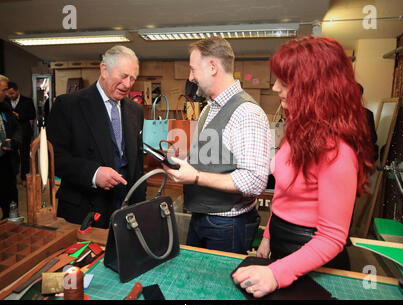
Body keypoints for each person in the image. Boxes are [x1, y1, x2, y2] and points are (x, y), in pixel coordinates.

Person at [232, 37, 375, 298]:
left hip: (313, 259)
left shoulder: (338, 151)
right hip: (282, 245)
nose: (275, 88)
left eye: (285, 82)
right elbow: (284, 193)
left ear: (315, 87)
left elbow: (332, 237)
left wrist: (276, 273)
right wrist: (268, 237)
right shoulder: (299, 131)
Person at [163, 37, 271, 255]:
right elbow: (213, 160)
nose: (190, 77)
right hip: (202, 217)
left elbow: (255, 180)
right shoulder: (207, 109)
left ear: (212, 67)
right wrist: (184, 164)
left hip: (227, 226)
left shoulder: (246, 112)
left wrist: (194, 177)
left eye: (193, 70)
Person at [47, 45, 146, 228]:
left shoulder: (136, 110)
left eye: (132, 78)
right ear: (104, 70)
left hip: (125, 210)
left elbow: (136, 163)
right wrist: (93, 173)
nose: (128, 84)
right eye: (123, 76)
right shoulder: (69, 105)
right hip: (84, 210)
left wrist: (140, 207)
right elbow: (54, 159)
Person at [0, 75, 22, 219]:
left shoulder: (5, 107)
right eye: (3, 90)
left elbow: (18, 129)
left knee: (10, 199)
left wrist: (13, 141)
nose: (7, 93)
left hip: (6, 163)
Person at [7, 81, 36, 186]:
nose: (11, 96)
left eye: (12, 93)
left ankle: (24, 178)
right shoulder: (5, 101)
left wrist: (19, 116)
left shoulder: (27, 101)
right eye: (9, 94)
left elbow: (32, 115)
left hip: (25, 132)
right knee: (13, 156)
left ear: (17, 90)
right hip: (11, 134)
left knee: (24, 156)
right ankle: (13, 178)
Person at [357, 83, 379, 162]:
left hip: (362, 156)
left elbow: (373, 138)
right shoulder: (368, 113)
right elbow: (374, 138)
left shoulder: (367, 114)